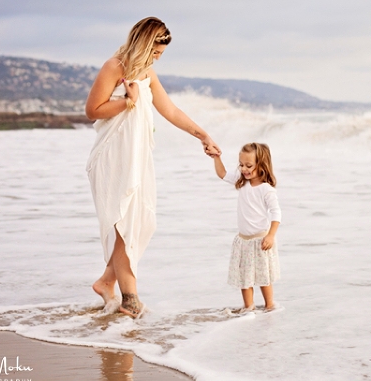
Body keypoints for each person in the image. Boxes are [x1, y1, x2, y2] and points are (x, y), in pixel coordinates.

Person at [86, 17, 220, 318]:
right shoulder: (114, 67)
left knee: (139, 223)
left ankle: (106, 281)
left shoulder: (147, 73)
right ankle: (129, 296)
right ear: (143, 44)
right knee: (124, 224)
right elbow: (92, 110)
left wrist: (203, 135)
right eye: (155, 52)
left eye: (160, 54)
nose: (157, 58)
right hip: (112, 159)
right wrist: (127, 102)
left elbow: (170, 110)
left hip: (137, 158)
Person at [211, 143, 281, 313]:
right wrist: (216, 157)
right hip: (244, 241)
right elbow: (222, 173)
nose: (244, 169)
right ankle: (248, 307)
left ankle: (270, 305)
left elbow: (276, 213)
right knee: (245, 278)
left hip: (261, 240)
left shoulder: (266, 189)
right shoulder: (242, 182)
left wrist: (271, 236)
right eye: (241, 165)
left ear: (262, 165)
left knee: (264, 277)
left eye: (249, 166)